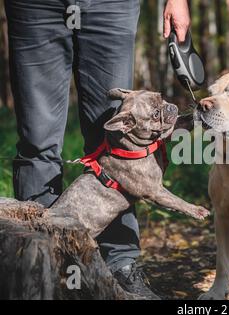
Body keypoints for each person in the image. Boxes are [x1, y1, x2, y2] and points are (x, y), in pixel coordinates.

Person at [5, 0, 191, 299]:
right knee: (37, 144)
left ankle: (121, 265)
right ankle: (38, 264)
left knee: (117, 137)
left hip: (111, 6)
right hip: (35, 6)